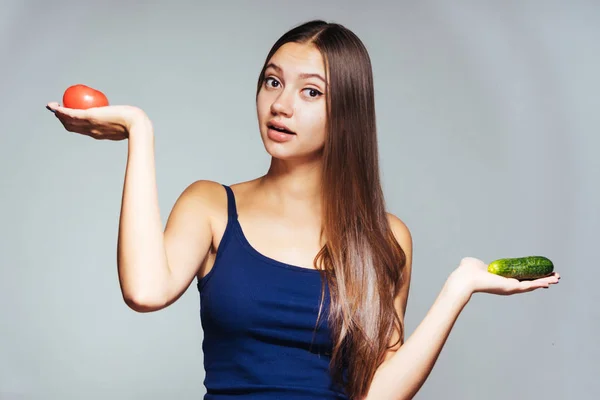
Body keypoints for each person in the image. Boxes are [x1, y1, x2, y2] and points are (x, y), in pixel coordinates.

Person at [46, 19, 560, 400]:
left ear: (346, 114)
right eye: (273, 81)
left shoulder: (386, 239)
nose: (282, 104)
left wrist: (456, 291)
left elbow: (378, 395)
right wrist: (139, 131)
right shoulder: (210, 205)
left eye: (310, 91)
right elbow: (143, 290)